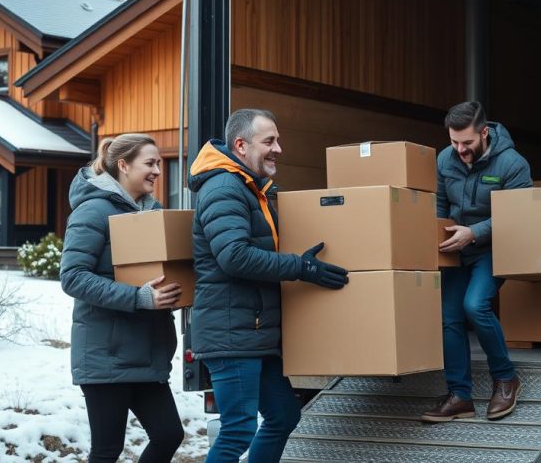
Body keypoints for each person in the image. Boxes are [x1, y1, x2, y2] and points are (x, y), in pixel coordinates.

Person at [188, 108, 349, 463]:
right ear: (241, 145)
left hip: (253, 330)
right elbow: (234, 256)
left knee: (283, 416)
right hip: (232, 334)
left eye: (278, 139)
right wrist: (301, 267)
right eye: (270, 141)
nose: (279, 148)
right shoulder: (223, 187)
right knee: (237, 430)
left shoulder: (248, 187)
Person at [60, 133, 185, 463]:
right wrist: (138, 298)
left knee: (169, 434)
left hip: (146, 353)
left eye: (159, 163)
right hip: (105, 356)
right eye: (150, 163)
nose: (158, 170)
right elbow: (73, 277)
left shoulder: (151, 213)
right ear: (123, 165)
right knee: (107, 450)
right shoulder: (93, 211)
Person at [421, 101, 532, 424]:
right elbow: (440, 202)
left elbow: (521, 216)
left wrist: (475, 232)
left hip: (495, 247)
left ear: (484, 133)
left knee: (475, 305)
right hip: (456, 248)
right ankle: (460, 396)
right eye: (454, 142)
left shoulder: (513, 164)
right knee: (448, 316)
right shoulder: (445, 158)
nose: (460, 150)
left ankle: (506, 378)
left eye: (467, 143)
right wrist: (436, 235)